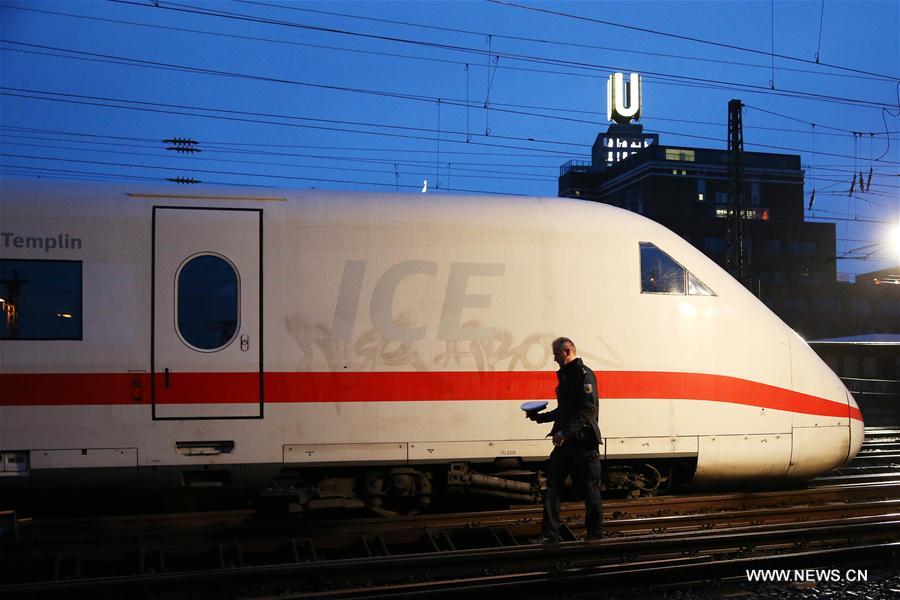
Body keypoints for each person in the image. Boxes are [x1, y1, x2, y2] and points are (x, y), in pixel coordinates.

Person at [526, 337, 603, 543]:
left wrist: (564, 432)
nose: (554, 359)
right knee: (553, 487)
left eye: (556, 354)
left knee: (590, 489)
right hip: (567, 442)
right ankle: (550, 535)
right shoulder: (568, 376)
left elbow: (588, 409)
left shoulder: (584, 375)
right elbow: (565, 411)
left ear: (567, 351)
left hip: (584, 442)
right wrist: (540, 417)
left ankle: (595, 536)